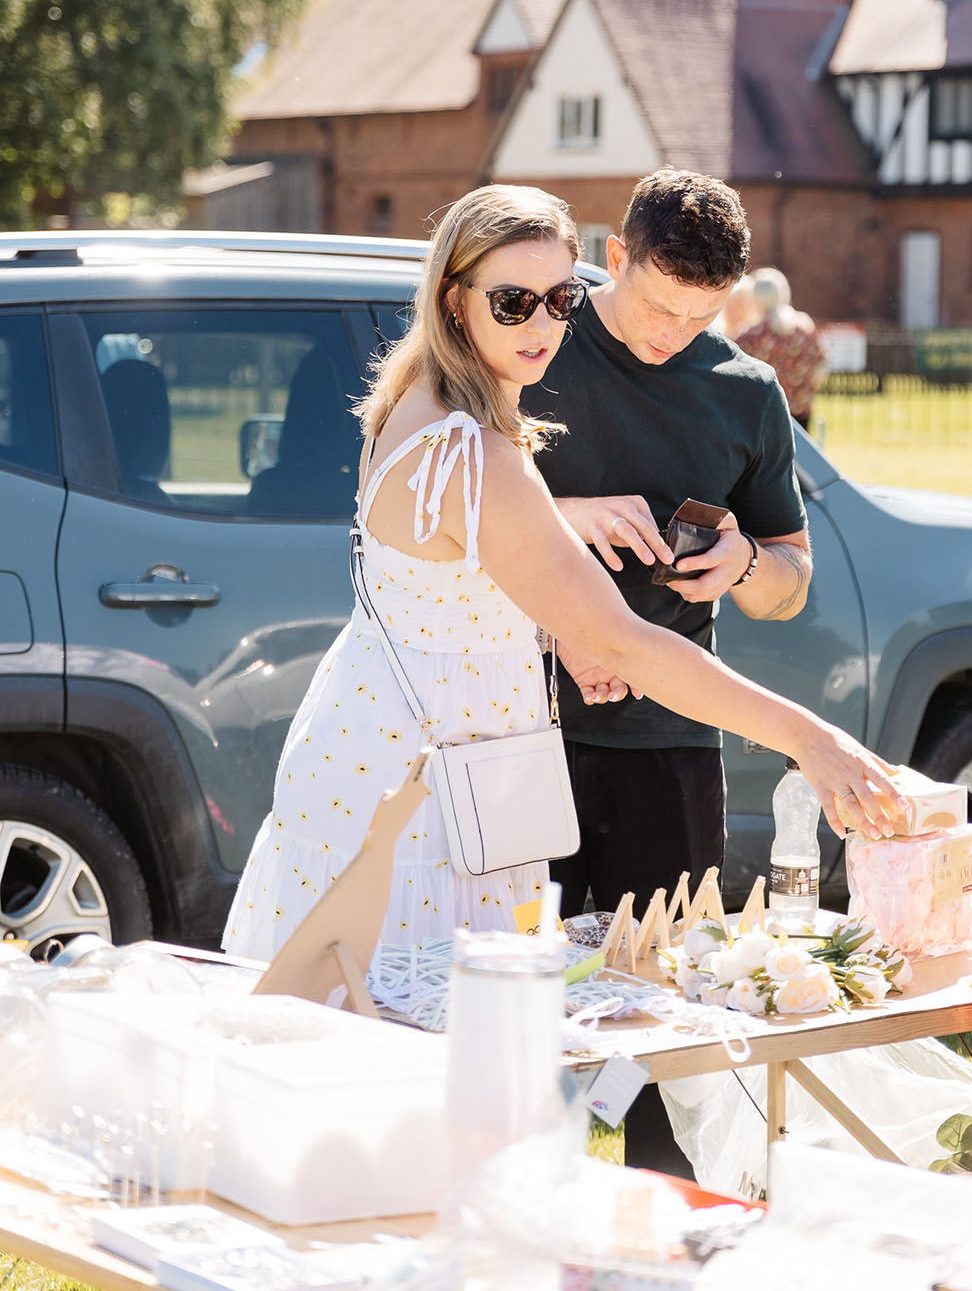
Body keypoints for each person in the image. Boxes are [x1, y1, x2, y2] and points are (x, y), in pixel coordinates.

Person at [223, 184, 897, 964]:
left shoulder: (423, 398)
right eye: (514, 303)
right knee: (424, 1056)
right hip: (427, 798)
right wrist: (812, 742)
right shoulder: (478, 452)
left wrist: (566, 619)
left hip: (383, 762)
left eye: (558, 300)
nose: (542, 326)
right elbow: (625, 644)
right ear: (454, 300)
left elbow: (471, 585)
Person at [523, 173, 815, 922]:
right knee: (508, 981)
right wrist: (567, 514)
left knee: (661, 993)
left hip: (670, 738)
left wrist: (744, 562)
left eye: (700, 315)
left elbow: (791, 583)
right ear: (616, 257)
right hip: (519, 729)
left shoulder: (747, 392)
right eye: (657, 305)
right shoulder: (532, 344)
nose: (671, 333)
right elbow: (448, 513)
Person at [735, 268, 828, 430]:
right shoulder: (805, 328)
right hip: (801, 416)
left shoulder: (751, 336)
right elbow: (820, 368)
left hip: (764, 418)